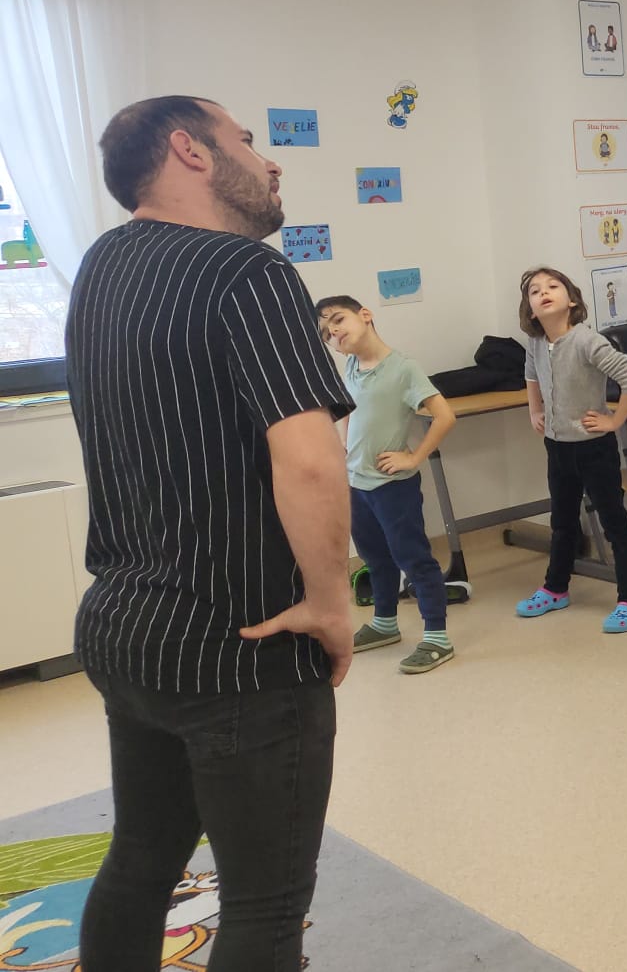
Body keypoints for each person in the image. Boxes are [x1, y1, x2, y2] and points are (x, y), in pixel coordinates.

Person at [69, 95, 354, 962]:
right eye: (247, 140)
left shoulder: (103, 262)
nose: (270, 161)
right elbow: (310, 462)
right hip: (240, 645)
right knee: (266, 905)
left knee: (141, 858)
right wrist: (330, 603)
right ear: (190, 151)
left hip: (125, 629)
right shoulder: (249, 274)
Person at [317, 295, 459, 674]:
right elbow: (347, 410)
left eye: (338, 320)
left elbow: (445, 416)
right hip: (357, 486)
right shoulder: (350, 366)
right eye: (326, 332)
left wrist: (413, 457)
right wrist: (344, 449)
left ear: (365, 315)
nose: (334, 332)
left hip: (392, 488)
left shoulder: (403, 368)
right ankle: (384, 623)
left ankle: (437, 637)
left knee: (413, 558)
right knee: (376, 558)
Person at [516, 267, 627, 631]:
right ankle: (555, 588)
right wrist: (535, 410)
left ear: (571, 300)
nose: (543, 292)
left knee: (614, 523)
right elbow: (531, 373)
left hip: (594, 448)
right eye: (534, 291)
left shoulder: (588, 341)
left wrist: (615, 420)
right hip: (557, 448)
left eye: (552, 286)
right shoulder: (536, 343)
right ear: (530, 310)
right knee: (562, 522)